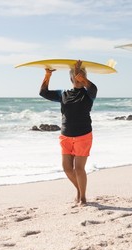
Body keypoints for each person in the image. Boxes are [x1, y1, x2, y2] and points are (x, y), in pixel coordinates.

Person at [39, 60, 97, 207]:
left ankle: (83, 197)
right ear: (71, 78)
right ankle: (79, 189)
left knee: (79, 168)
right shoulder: (63, 94)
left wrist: (81, 75)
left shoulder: (90, 93)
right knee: (66, 168)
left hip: (83, 136)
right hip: (65, 136)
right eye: (76, 76)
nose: (79, 78)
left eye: (82, 76)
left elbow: (89, 84)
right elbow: (43, 92)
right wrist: (47, 75)